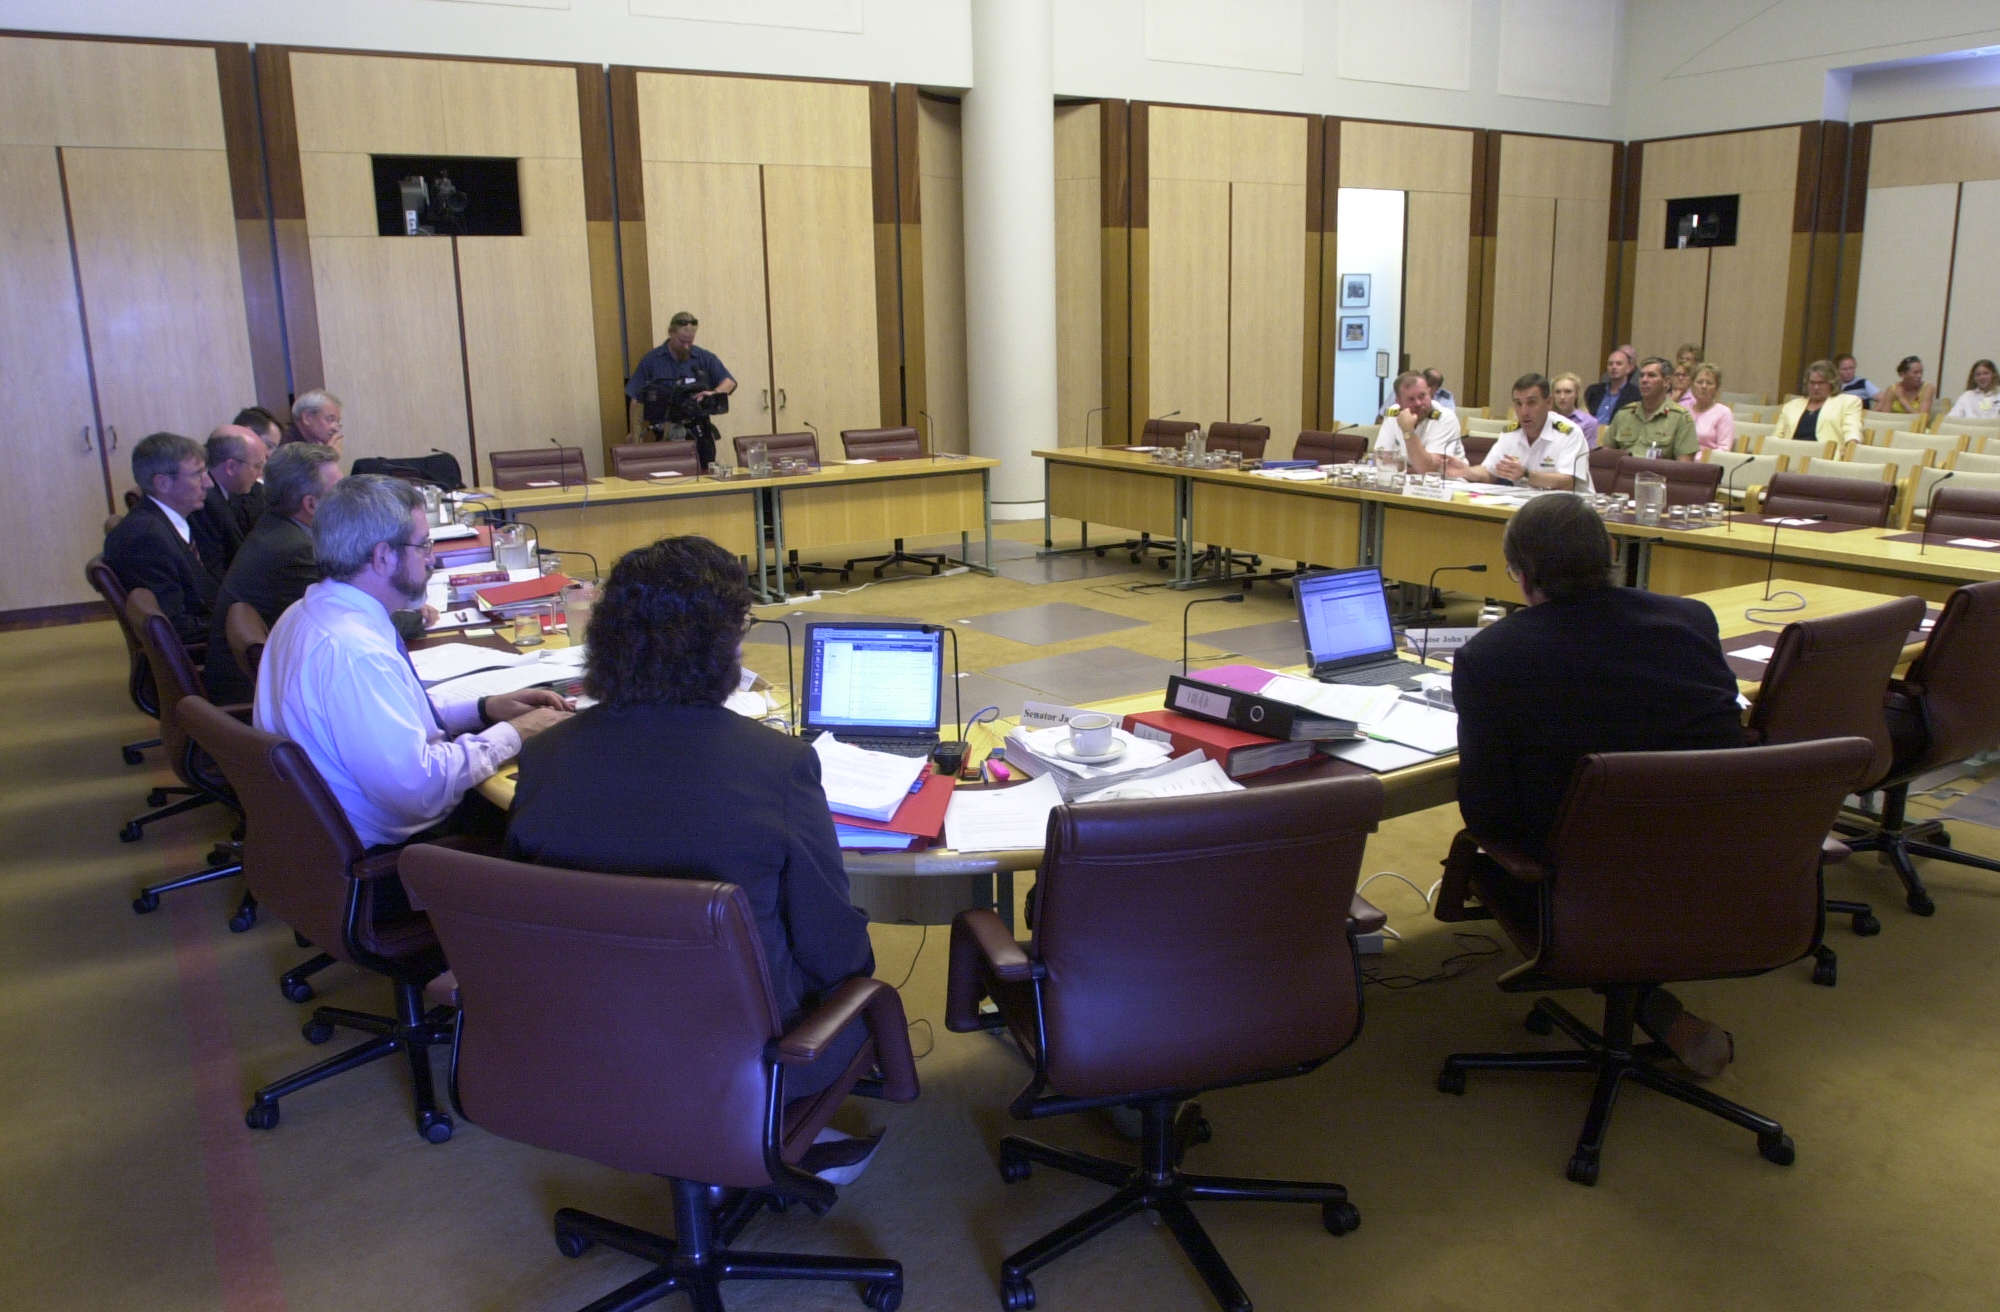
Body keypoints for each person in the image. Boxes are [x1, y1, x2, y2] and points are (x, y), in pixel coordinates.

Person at [507, 535, 875, 1100]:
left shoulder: (543, 756)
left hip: (585, 1038)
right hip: (753, 1055)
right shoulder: (780, 766)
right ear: (721, 644)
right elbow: (834, 953)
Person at [1451, 494, 1745, 1077]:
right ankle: (1652, 1005)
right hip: (1707, 858)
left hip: (1575, 879)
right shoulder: (1690, 620)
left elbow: (1484, 813)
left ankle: (1639, 996)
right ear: (1612, 552)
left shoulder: (1491, 655)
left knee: (1485, 855)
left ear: (1520, 573)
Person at [255, 475, 570, 849]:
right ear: (383, 556)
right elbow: (418, 793)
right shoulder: (357, 654)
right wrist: (517, 733)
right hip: (394, 849)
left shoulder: (307, 611)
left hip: (328, 827)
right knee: (562, 806)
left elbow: (386, 719)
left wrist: (485, 709)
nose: (432, 558)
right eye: (423, 546)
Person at [203, 444, 427, 704]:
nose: (351, 500)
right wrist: (418, 617)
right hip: (245, 695)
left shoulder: (278, 528)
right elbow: (347, 617)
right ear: (311, 505)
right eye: (340, 493)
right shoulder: (296, 550)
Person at [103, 432, 220, 648]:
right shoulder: (146, 539)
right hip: (205, 656)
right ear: (163, 483)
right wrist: (238, 624)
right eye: (197, 474)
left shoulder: (168, 521)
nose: (208, 483)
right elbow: (176, 627)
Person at [626, 311, 738, 470]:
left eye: (690, 341)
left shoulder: (704, 357)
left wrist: (714, 392)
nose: (687, 346)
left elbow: (729, 382)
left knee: (705, 477)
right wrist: (635, 434)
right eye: (682, 341)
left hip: (699, 432)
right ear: (671, 333)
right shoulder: (651, 360)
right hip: (663, 432)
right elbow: (636, 399)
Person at [1450, 374, 1588, 489]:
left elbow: (1568, 482)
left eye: (1531, 403)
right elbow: (1489, 473)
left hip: (1570, 510)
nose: (1524, 412)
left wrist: (1526, 474)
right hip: (1528, 506)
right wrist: (1467, 471)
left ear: (1549, 402)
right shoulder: (1511, 433)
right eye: (1518, 403)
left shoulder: (1569, 433)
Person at [189, 426, 267, 573]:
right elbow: (216, 570)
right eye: (257, 466)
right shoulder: (204, 504)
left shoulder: (237, 490)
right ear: (230, 466)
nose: (260, 473)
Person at [1599, 356, 1697, 460]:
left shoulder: (1680, 417)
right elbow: (1606, 457)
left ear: (1666, 381)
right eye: (1642, 376)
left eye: (1651, 375)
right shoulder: (1624, 413)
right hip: (1624, 474)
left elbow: (1684, 468)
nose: (1644, 380)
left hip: (1657, 475)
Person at [1372, 371, 1465, 474]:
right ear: (1398, 402)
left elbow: (1427, 469)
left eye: (1422, 396)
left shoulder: (1445, 418)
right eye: (1411, 399)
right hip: (1404, 480)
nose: (1418, 403)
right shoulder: (1393, 414)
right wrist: (1413, 468)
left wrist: (1408, 431)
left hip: (1447, 484)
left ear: (1430, 393)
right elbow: (1380, 458)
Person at [1772, 359, 1863, 448]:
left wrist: (1850, 448)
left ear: (1832, 383)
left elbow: (1852, 430)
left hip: (1827, 457)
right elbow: (1777, 436)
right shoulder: (1791, 406)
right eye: (1812, 383)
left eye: (1821, 383)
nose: (1816, 387)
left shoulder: (1849, 402)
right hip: (1791, 454)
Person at [1585, 346, 1639, 429]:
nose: (1614, 367)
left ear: (1628, 368)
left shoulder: (1636, 394)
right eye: (1610, 364)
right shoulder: (1593, 391)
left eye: (1619, 364)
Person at [1688, 362, 1737, 454]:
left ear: (1716, 388)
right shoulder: (1684, 410)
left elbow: (1724, 448)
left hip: (1707, 464)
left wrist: (1698, 459)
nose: (1704, 386)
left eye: (1709, 383)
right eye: (1699, 382)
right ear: (1692, 385)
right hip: (1681, 463)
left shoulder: (1723, 413)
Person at [283, 389, 344, 455]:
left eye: (337, 422)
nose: (336, 429)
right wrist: (327, 456)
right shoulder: (287, 448)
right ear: (307, 417)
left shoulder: (315, 444)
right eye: (330, 419)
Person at [1549, 372, 1599, 446]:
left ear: (1577, 394)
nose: (1562, 397)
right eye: (1557, 392)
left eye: (1568, 392)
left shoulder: (1589, 422)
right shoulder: (1545, 419)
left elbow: (1587, 454)